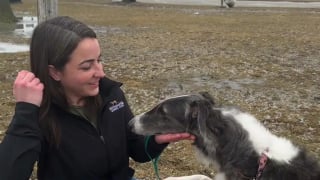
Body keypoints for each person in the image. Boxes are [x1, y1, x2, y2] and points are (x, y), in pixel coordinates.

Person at [0, 16, 195, 180]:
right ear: (55, 72)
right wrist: (25, 111)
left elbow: (136, 150)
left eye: (99, 60)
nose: (100, 73)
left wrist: (156, 140)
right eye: (87, 66)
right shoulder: (40, 112)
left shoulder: (111, 95)